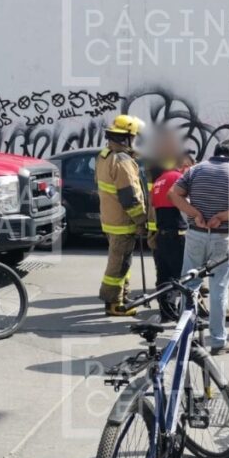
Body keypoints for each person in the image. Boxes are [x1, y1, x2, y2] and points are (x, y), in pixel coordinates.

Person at [168, 141, 229, 356]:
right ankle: (218, 341)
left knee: (189, 286)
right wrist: (222, 216)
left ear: (214, 154)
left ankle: (184, 338)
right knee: (219, 290)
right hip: (224, 237)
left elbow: (173, 194)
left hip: (196, 235)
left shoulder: (196, 170)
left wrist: (194, 213)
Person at [95, 114, 148, 316]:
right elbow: (130, 198)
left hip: (110, 220)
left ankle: (122, 296)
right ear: (125, 138)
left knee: (123, 261)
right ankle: (113, 303)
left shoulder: (104, 155)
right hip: (123, 222)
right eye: (133, 137)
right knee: (118, 265)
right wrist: (142, 220)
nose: (135, 141)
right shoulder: (123, 161)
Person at [151, 149, 193, 322]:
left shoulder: (158, 180)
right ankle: (187, 314)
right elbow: (189, 203)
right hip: (177, 234)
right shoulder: (177, 178)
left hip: (162, 234)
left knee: (164, 276)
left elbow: (154, 207)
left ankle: (166, 313)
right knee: (183, 277)